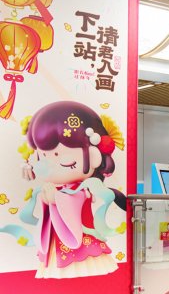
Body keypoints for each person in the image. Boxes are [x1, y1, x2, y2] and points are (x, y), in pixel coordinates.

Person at [20, 101, 126, 279]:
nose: (48, 161)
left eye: (57, 155)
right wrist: (47, 199)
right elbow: (51, 201)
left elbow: (74, 201)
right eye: (43, 155)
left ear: (94, 156)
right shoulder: (59, 186)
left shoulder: (83, 189)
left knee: (82, 263)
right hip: (58, 235)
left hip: (79, 235)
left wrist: (57, 199)